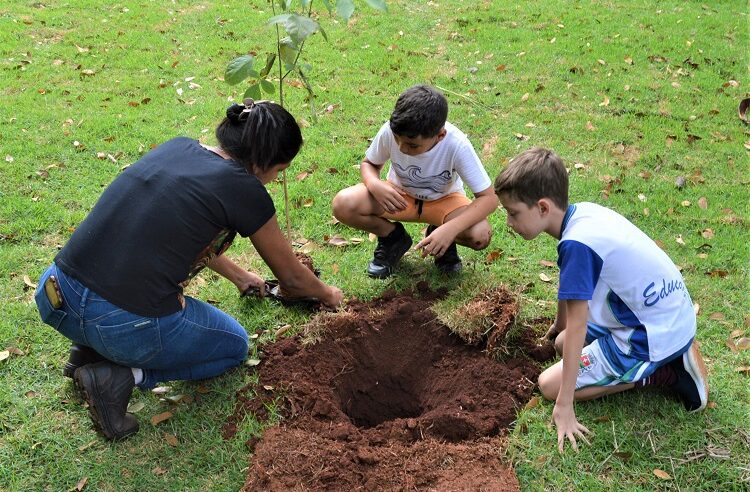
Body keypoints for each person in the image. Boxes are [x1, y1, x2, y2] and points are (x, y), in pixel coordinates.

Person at [34, 99, 343, 441]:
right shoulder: (245, 188)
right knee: (234, 346)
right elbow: (293, 279)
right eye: (280, 172)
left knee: (112, 304)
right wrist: (328, 294)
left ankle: (87, 352)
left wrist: (239, 276)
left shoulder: (178, 148)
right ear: (267, 163)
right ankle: (121, 376)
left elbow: (172, 227)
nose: (274, 180)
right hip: (122, 323)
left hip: (56, 296)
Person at [493, 147, 708, 453]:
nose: (509, 223)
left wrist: (564, 404)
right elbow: (572, 291)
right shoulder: (581, 214)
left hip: (649, 334)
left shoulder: (577, 246)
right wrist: (558, 326)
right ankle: (667, 351)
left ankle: (664, 372)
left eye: (513, 213)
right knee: (560, 344)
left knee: (549, 385)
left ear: (542, 207)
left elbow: (579, 325)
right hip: (660, 312)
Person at [332, 85, 497, 278]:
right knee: (343, 204)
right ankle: (392, 238)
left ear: (440, 135)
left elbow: (489, 199)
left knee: (480, 235)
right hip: (398, 197)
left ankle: (441, 237)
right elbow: (369, 164)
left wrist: (450, 229)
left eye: (412, 145)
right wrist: (374, 184)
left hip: (445, 201)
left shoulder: (457, 145)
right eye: (397, 139)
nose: (402, 148)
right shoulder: (390, 130)